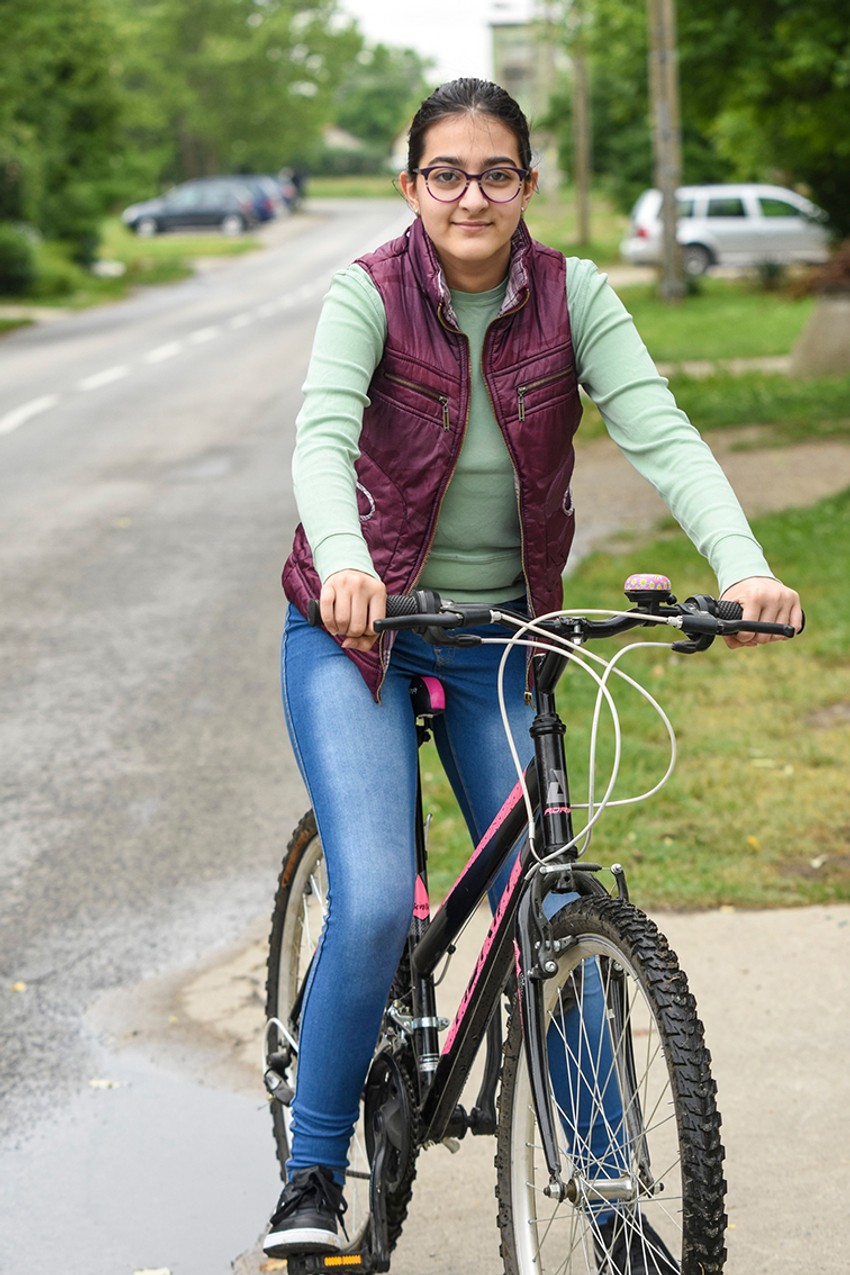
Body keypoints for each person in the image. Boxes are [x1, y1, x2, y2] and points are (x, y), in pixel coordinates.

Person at [263, 78, 802, 1266]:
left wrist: (744, 566)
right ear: (412, 186)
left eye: (495, 173)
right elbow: (320, 433)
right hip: (359, 631)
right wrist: (346, 564)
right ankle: (312, 1166)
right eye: (445, 173)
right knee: (372, 892)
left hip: (503, 632)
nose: (471, 194)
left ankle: (608, 1204)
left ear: (525, 187)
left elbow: (658, 427)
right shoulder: (368, 293)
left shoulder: (573, 297)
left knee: (545, 897)